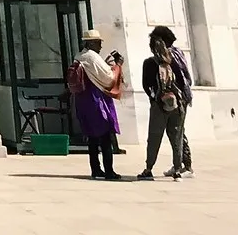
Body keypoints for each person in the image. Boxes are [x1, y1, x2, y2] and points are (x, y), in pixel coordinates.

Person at [67, 30, 125, 180]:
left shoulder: (79, 56)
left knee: (92, 137)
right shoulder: (92, 57)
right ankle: (109, 171)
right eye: (98, 43)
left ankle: (96, 169)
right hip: (96, 100)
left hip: (84, 101)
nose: (100, 46)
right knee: (105, 135)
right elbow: (108, 78)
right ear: (90, 43)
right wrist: (117, 65)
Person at [138, 25, 194, 180]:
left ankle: (148, 169)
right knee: (177, 136)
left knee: (155, 136)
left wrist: (154, 99)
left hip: (160, 104)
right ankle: (178, 169)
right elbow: (185, 80)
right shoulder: (176, 57)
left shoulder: (149, 63)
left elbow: (146, 85)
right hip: (178, 103)